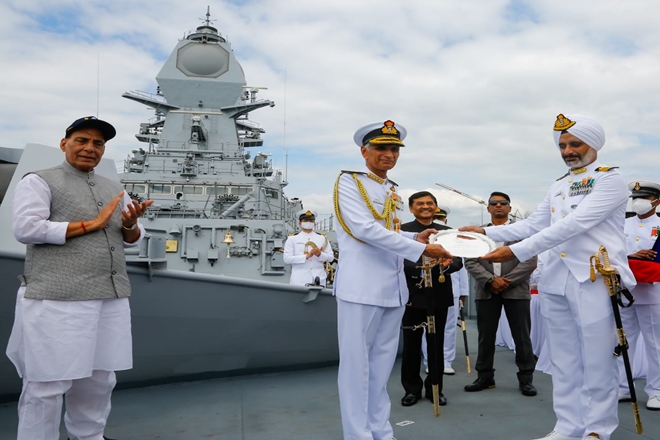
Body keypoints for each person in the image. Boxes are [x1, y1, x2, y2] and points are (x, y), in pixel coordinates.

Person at [460, 114, 636, 440]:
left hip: (594, 277)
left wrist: (516, 251)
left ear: (593, 145)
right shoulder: (558, 185)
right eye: (562, 145)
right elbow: (532, 224)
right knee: (564, 360)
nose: (567, 151)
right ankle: (567, 426)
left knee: (597, 359)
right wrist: (484, 232)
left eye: (575, 144)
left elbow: (575, 224)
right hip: (556, 280)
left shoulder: (610, 180)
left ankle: (598, 429)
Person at [5, 116, 153, 440]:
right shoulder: (39, 181)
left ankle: (88, 436)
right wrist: (92, 224)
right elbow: (26, 228)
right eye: (82, 140)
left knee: (100, 379)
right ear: (64, 143)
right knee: (47, 383)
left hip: (109, 297)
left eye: (98, 143)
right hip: (58, 298)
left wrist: (130, 224)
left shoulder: (114, 189)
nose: (90, 148)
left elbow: (133, 238)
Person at [333, 120, 451, 440]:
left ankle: (381, 432)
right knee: (356, 369)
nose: (389, 154)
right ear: (364, 151)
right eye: (381, 148)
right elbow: (364, 229)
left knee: (381, 368)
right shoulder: (349, 182)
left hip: (393, 289)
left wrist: (417, 237)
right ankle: (357, 435)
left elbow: (389, 231)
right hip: (360, 288)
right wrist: (421, 248)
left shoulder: (391, 189)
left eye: (394, 149)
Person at [463, 191, 537, 396]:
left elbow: (530, 260)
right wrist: (490, 281)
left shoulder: (521, 232)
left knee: (522, 337)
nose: (498, 205)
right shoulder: (478, 234)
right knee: (485, 337)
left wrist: (507, 281)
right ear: (488, 208)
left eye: (503, 203)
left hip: (516, 291)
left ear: (509, 208)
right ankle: (485, 377)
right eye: (494, 203)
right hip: (486, 291)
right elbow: (470, 260)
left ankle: (526, 379)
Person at [400, 192, 462, 407]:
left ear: (435, 207)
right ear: (411, 208)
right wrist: (422, 263)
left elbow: (458, 262)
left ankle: (436, 388)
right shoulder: (402, 231)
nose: (425, 207)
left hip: (438, 293)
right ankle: (411, 389)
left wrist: (445, 264)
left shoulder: (447, 232)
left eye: (429, 203)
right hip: (411, 293)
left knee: (436, 343)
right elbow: (396, 259)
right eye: (420, 204)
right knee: (411, 344)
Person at [618, 181, 660, 410]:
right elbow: (610, 252)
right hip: (626, 290)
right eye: (635, 197)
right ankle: (623, 386)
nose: (638, 201)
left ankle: (656, 391)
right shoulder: (622, 224)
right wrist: (632, 255)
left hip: (652, 291)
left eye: (644, 197)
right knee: (624, 341)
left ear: (657, 201)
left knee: (655, 344)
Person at [433, 205, 469, 376]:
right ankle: (431, 361)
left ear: (445, 221)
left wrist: (463, 292)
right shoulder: (422, 236)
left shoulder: (454, 237)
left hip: (451, 288)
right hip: (427, 288)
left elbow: (461, 267)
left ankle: (446, 361)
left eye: (439, 220)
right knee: (430, 327)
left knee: (448, 327)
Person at [283, 209, 334, 286]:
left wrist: (320, 254)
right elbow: (287, 259)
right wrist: (306, 256)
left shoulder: (322, 238)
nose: (308, 222)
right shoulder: (292, 239)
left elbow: (331, 258)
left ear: (314, 223)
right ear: (300, 223)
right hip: (300, 280)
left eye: (311, 220)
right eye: (305, 220)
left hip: (319, 279)